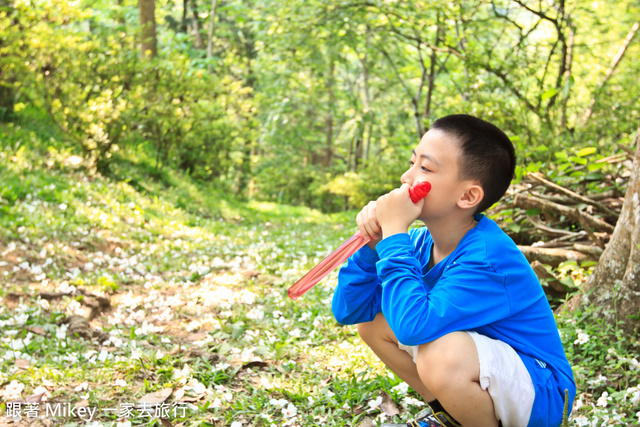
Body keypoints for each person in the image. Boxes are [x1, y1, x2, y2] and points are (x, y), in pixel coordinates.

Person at [331, 114, 576, 427]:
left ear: (468, 196)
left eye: (425, 168)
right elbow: (349, 312)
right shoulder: (419, 244)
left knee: (440, 354)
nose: (407, 177)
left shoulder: (487, 256)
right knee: (373, 324)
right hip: (491, 375)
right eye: (411, 162)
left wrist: (393, 234)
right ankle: (449, 416)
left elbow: (412, 329)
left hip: (543, 392)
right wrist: (372, 248)